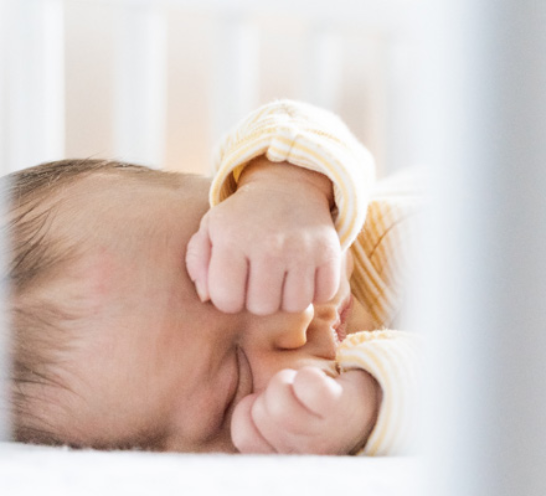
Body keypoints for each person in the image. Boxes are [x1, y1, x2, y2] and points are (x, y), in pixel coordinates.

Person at [6, 100, 419, 455]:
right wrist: (372, 402)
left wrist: (285, 186)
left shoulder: (384, 233)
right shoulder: (348, 399)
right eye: (236, 378)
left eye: (238, 253)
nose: (296, 316)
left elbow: (298, 127)